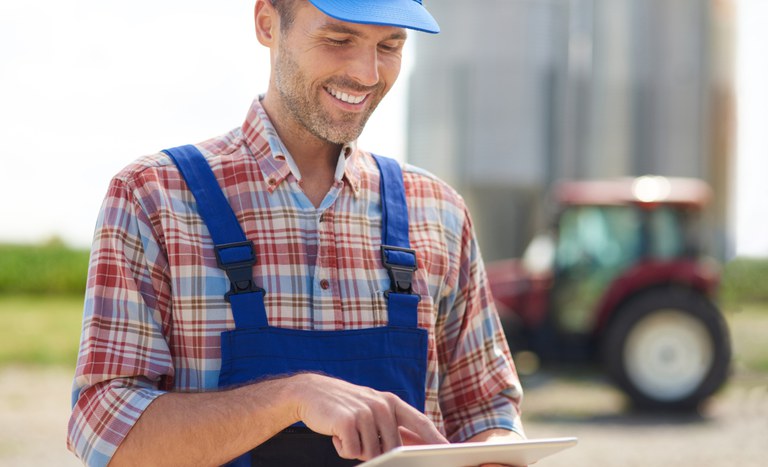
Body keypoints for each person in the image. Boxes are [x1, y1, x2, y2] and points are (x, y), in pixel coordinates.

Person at [67, 1, 526, 466]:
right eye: (338, 39)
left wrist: (495, 451)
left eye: (390, 45)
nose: (368, 74)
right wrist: (294, 397)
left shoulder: (439, 212)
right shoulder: (155, 197)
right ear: (268, 22)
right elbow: (106, 434)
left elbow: (487, 413)